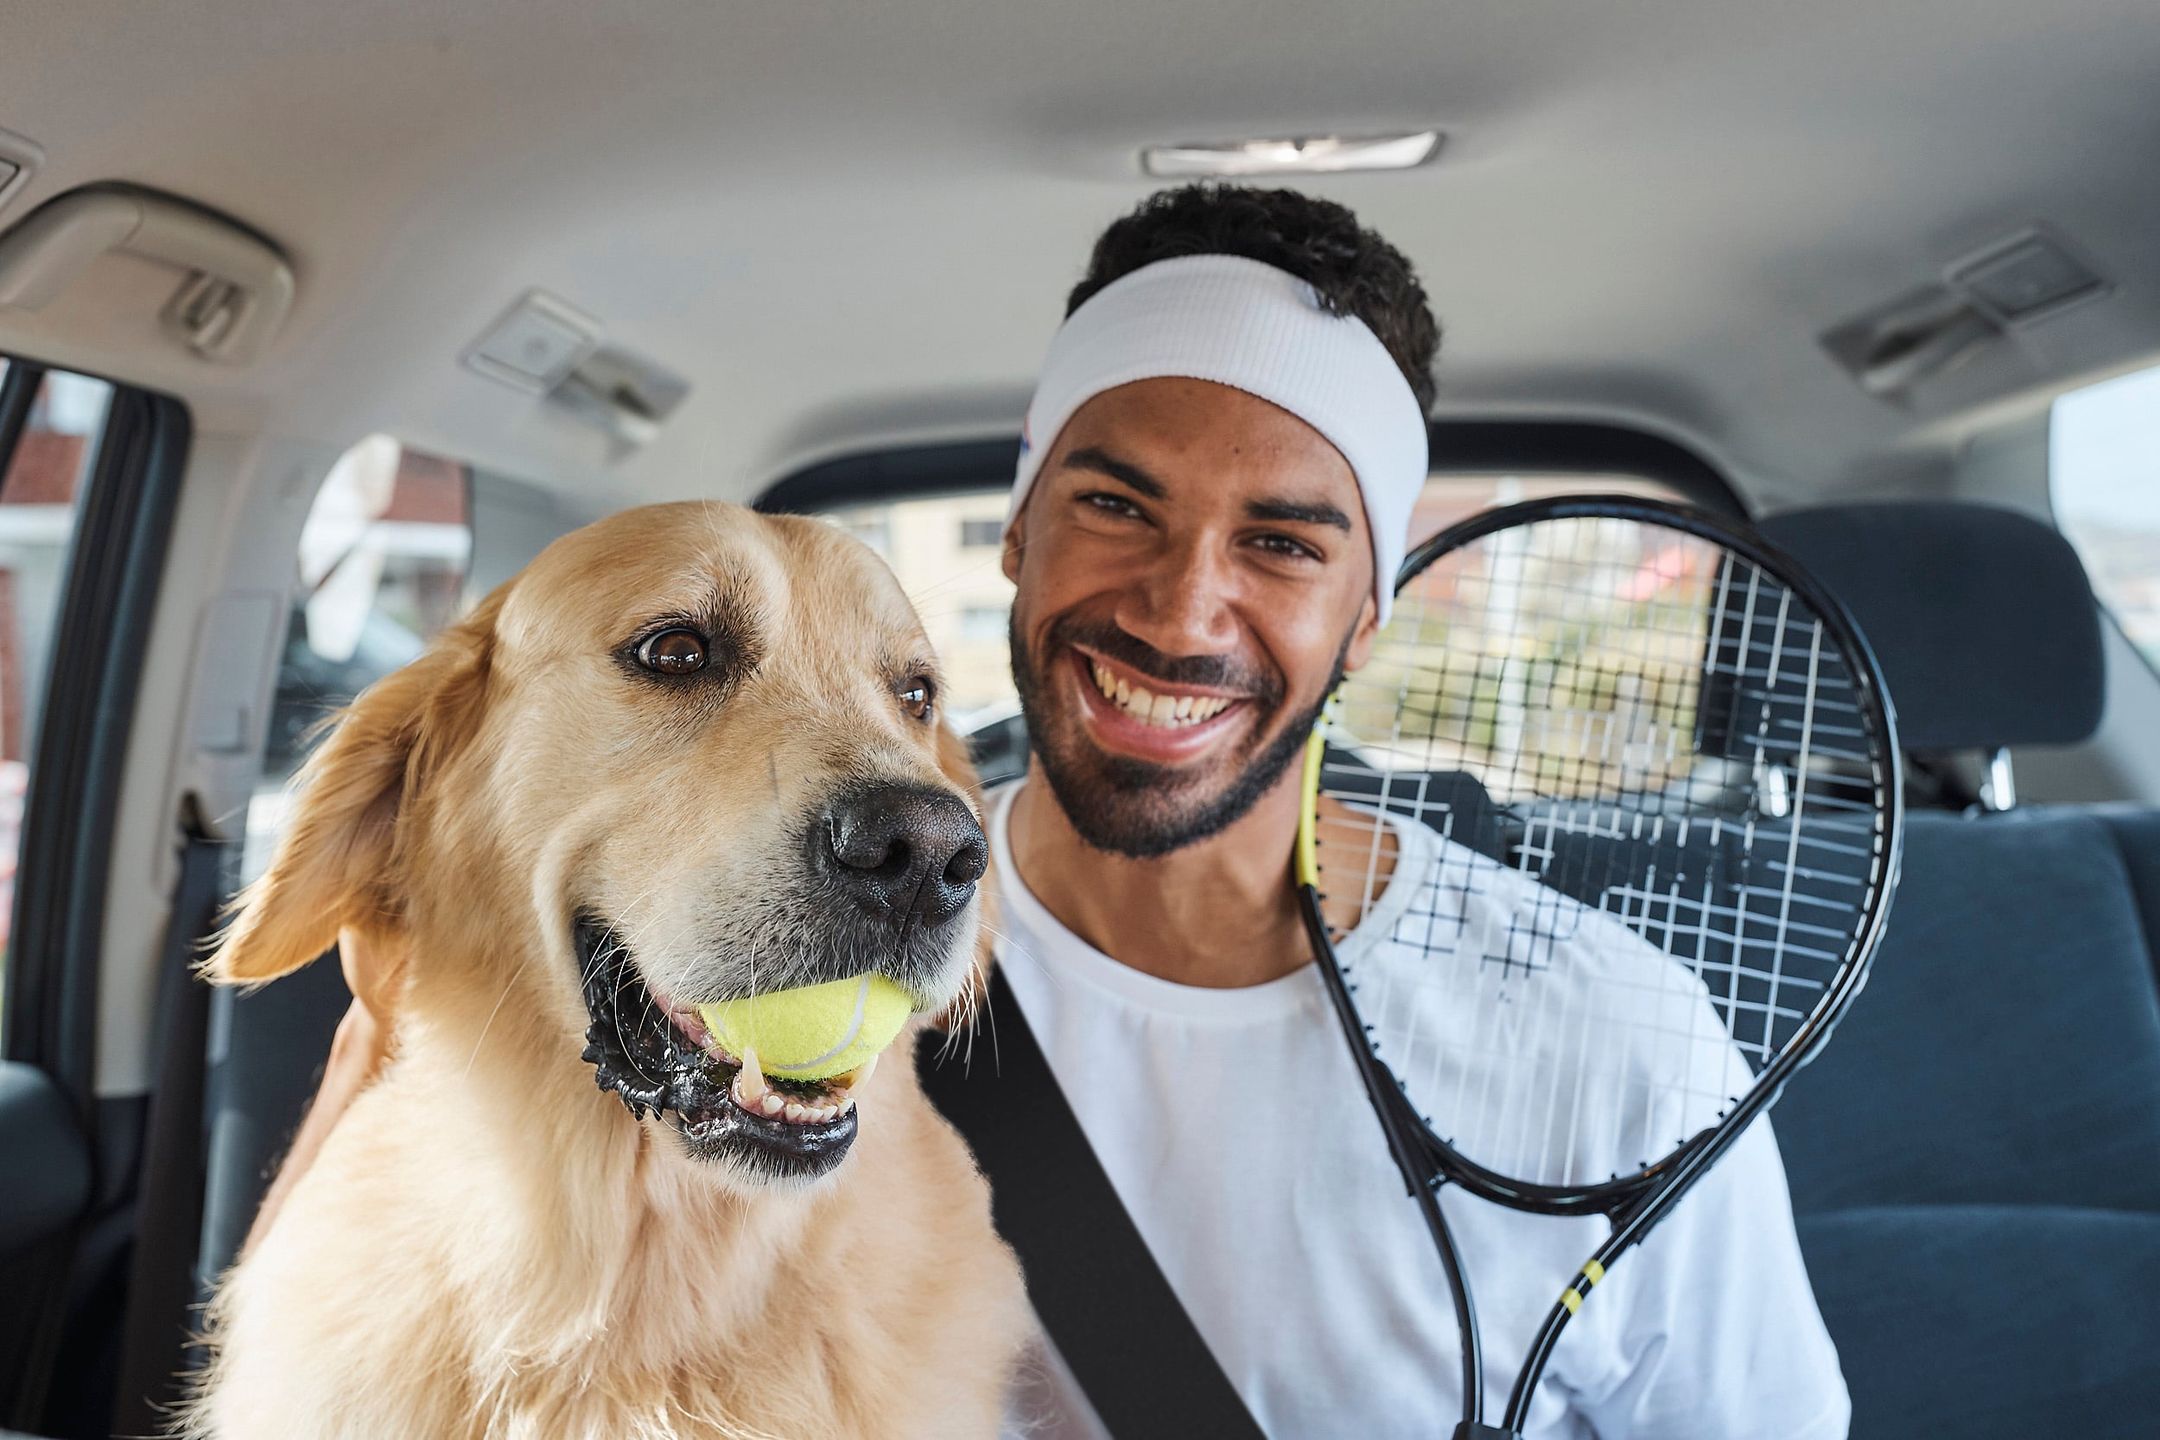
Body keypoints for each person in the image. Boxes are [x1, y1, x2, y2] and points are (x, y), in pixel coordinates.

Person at [259, 184, 1850, 1439]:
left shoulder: (1614, 1040)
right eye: (1115, 505)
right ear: (1017, 536)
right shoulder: (717, 957)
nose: (1182, 606)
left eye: (1286, 543)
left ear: (1368, 616)